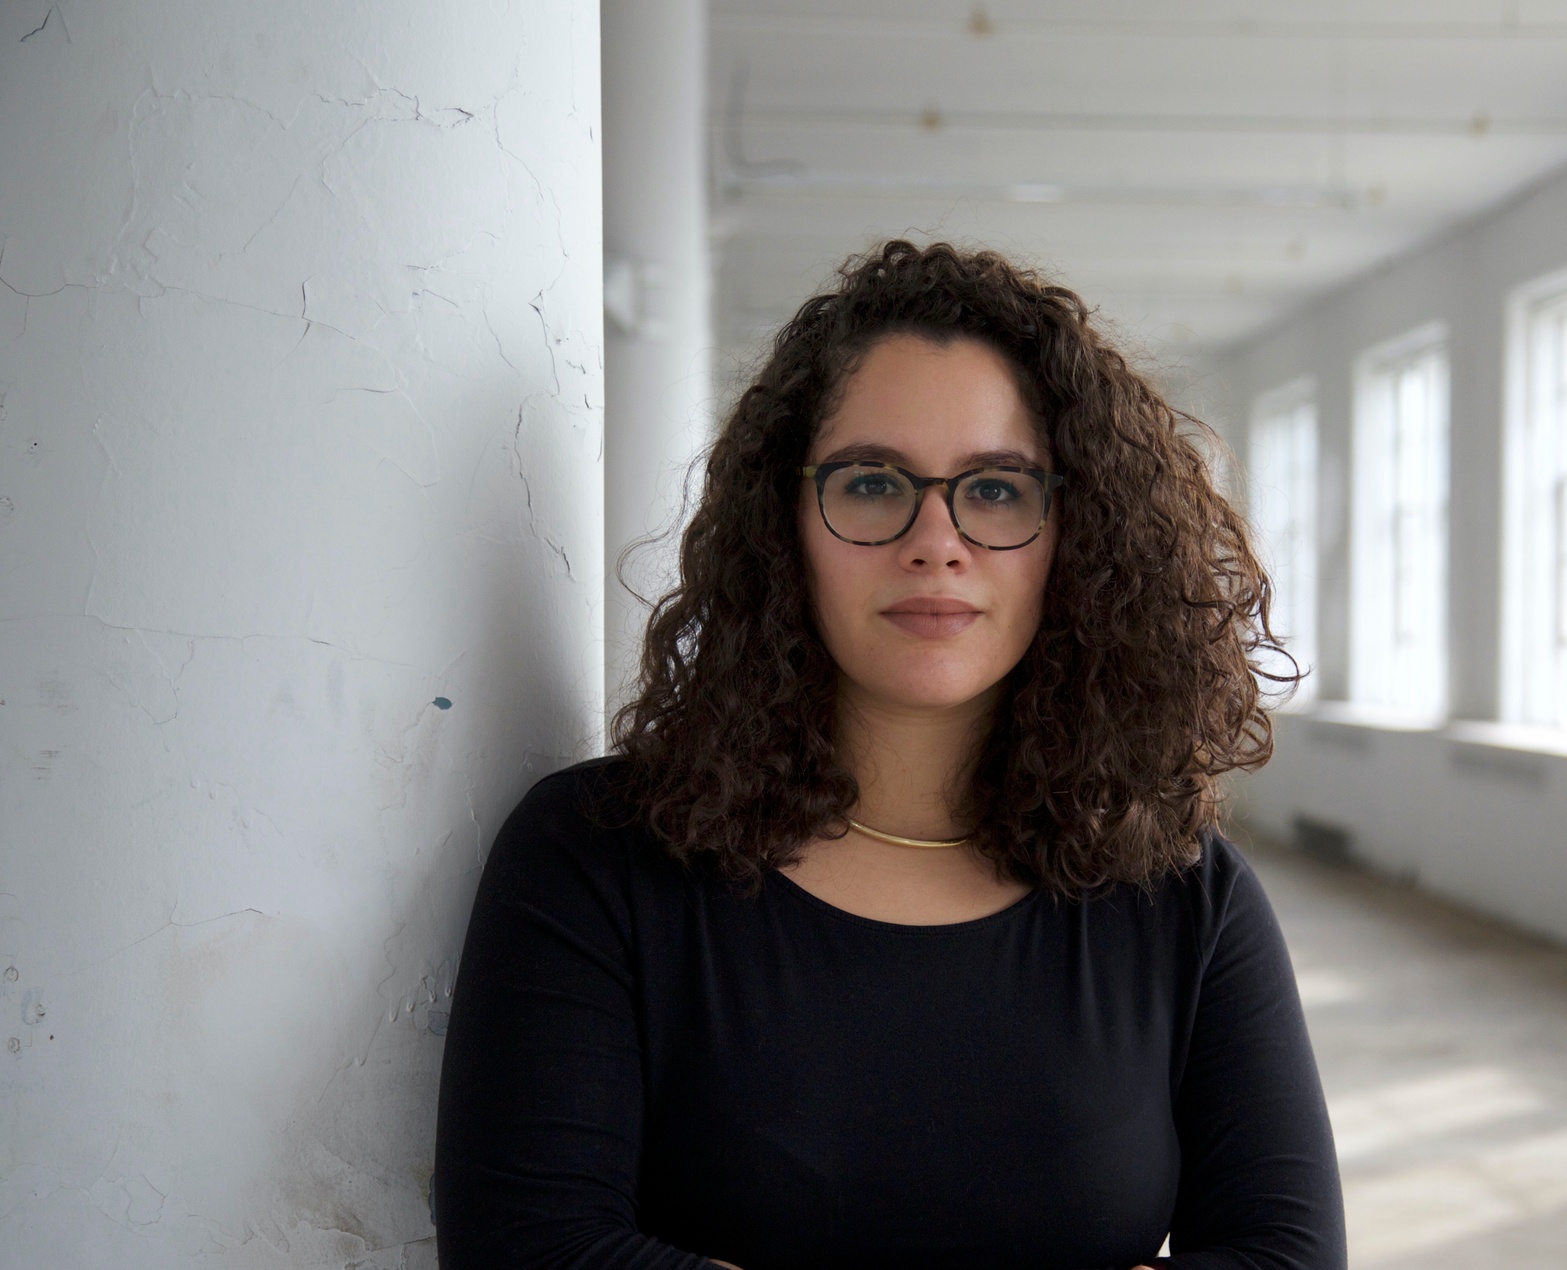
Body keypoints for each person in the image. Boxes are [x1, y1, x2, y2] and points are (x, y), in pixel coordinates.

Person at [433, 240, 1344, 1270]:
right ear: (784, 522)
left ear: (1077, 533)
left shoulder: (1184, 897)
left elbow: (1287, 1257)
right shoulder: (594, 858)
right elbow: (531, 1249)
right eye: (871, 482)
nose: (934, 539)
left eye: (996, 490)